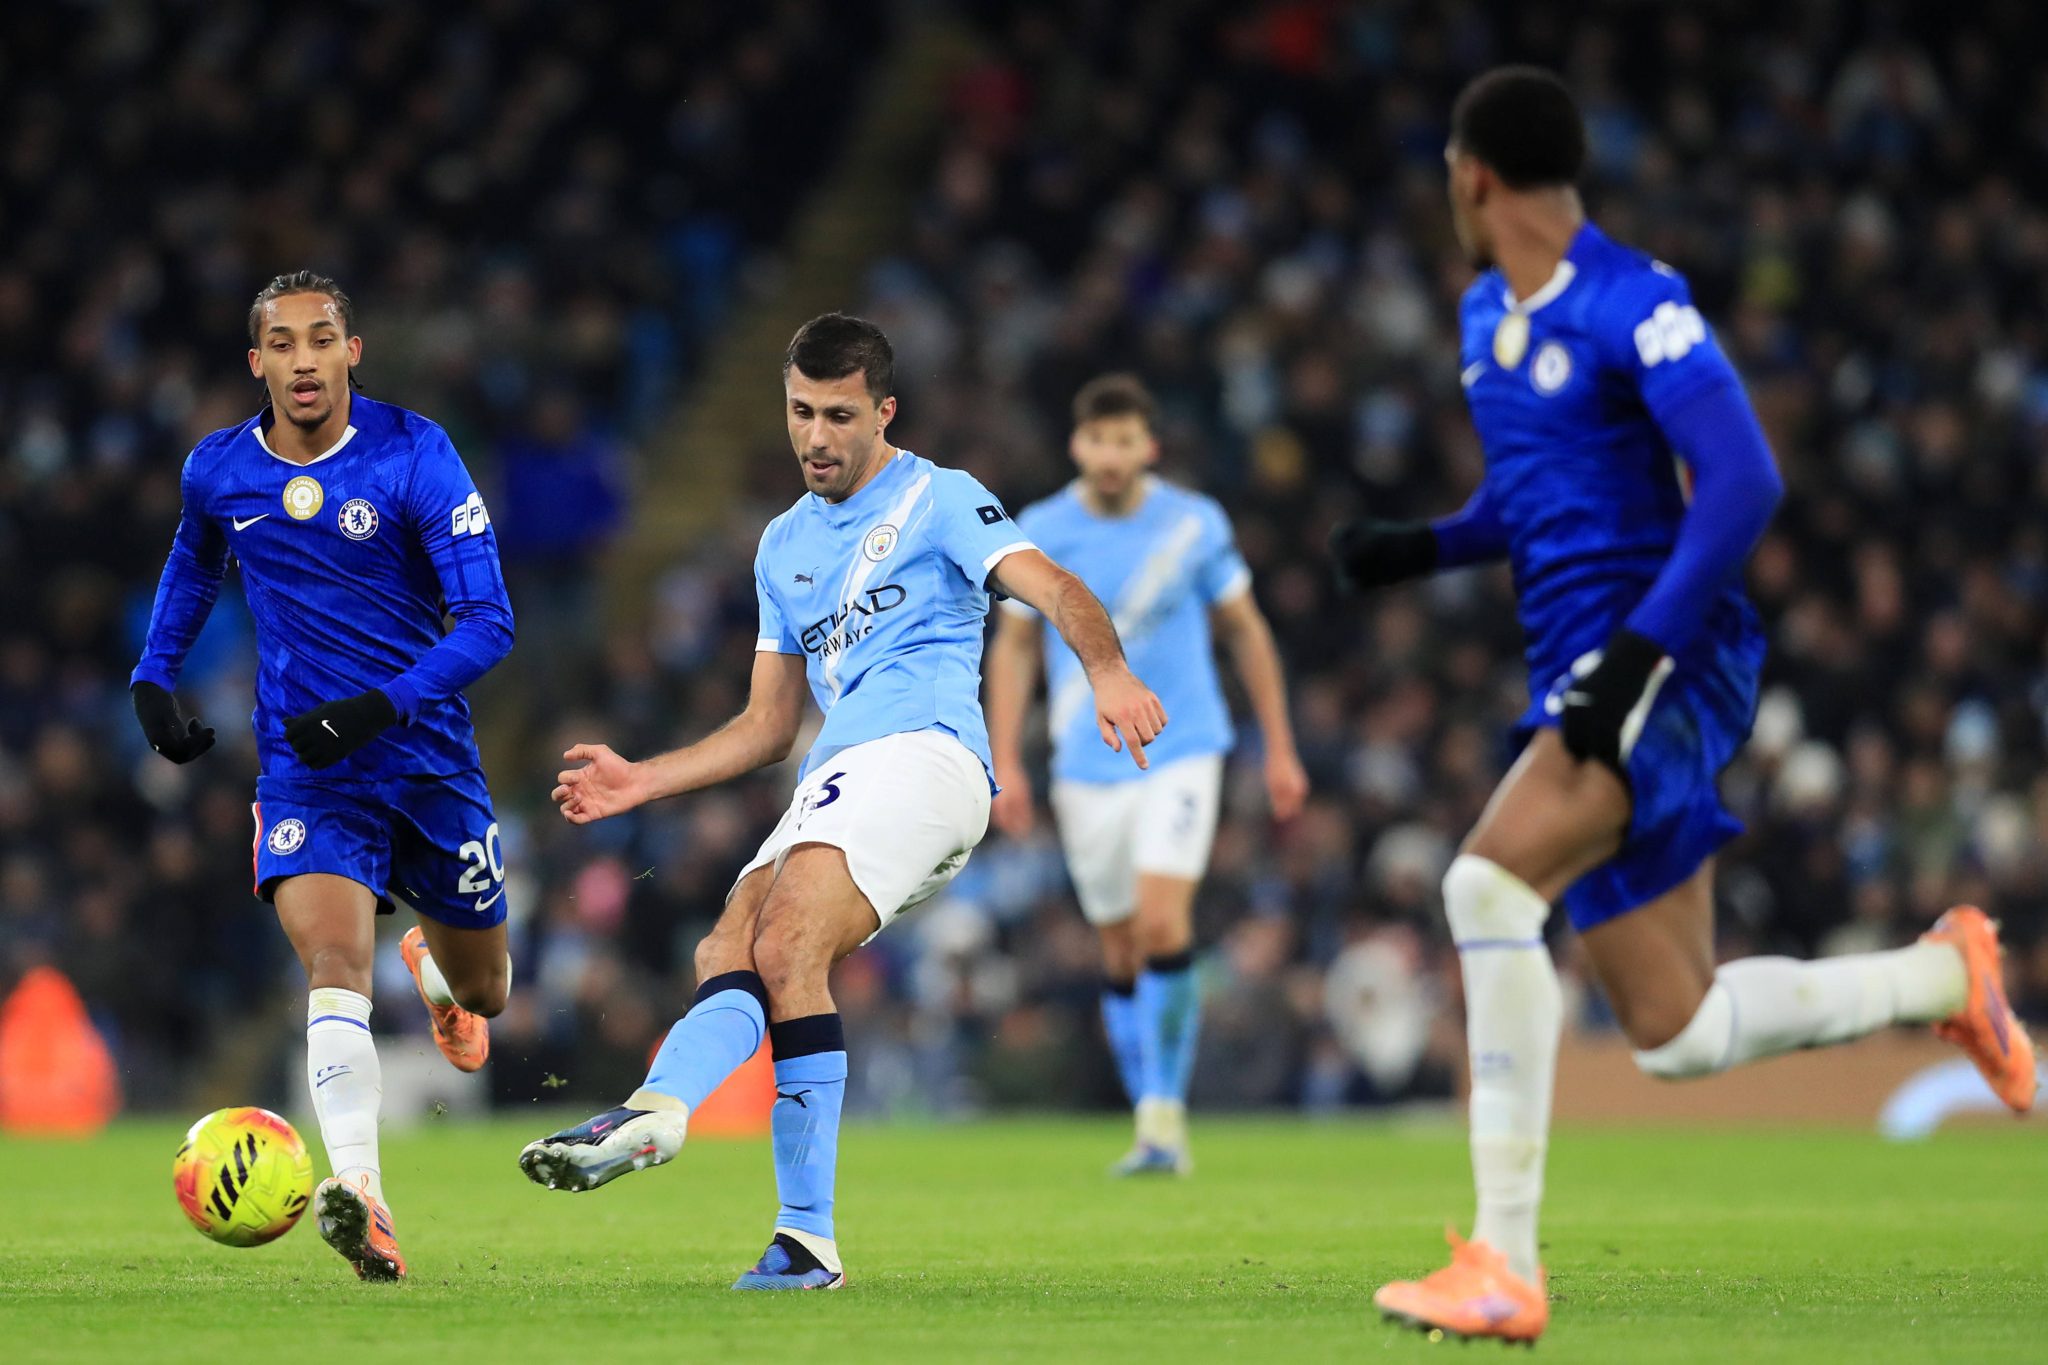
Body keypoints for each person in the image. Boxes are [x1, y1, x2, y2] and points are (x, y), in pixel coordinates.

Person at [1328, 69, 2036, 1344]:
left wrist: (1637, 656)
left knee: (1484, 887)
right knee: (1677, 1031)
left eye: (1448, 173)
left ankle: (1501, 1261)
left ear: (1473, 176)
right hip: (1585, 668)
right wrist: (1422, 547)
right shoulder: (1486, 311)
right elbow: (1537, 496)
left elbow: (1742, 481)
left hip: (1663, 659)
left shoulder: (1633, 301)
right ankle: (1948, 971)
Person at [519, 313, 1167, 1290]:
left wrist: (1107, 671)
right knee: (733, 941)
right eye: (798, 413)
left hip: (925, 757)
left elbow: (1051, 582)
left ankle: (676, 1130)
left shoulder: (938, 498)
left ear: (882, 412)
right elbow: (769, 725)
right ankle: (789, 1232)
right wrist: (643, 776)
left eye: (837, 415)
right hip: (839, 764)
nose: (815, 437)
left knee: (782, 941)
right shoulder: (781, 546)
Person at [131, 272, 518, 1282]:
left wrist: (381, 705)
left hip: (427, 759)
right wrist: (152, 674)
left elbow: (489, 622)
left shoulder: (413, 453)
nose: (304, 360)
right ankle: (361, 1193)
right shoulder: (219, 469)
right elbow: (192, 561)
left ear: (354, 351)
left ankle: (435, 973)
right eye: (283, 344)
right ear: (255, 362)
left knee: (492, 987)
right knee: (331, 962)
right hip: (309, 770)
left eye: (321, 339)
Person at [984, 373, 1307, 1174]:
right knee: (1121, 946)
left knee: (1165, 923)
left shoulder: (1194, 524)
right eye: (1099, 439)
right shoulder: (1042, 531)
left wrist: (1280, 743)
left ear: (1149, 447)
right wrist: (1004, 760)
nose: (1112, 454)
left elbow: (1246, 629)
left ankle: (1163, 1119)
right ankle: (1149, 1113)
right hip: (1086, 763)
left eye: (1126, 440)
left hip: (1184, 744)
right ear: (1077, 445)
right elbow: (1016, 646)